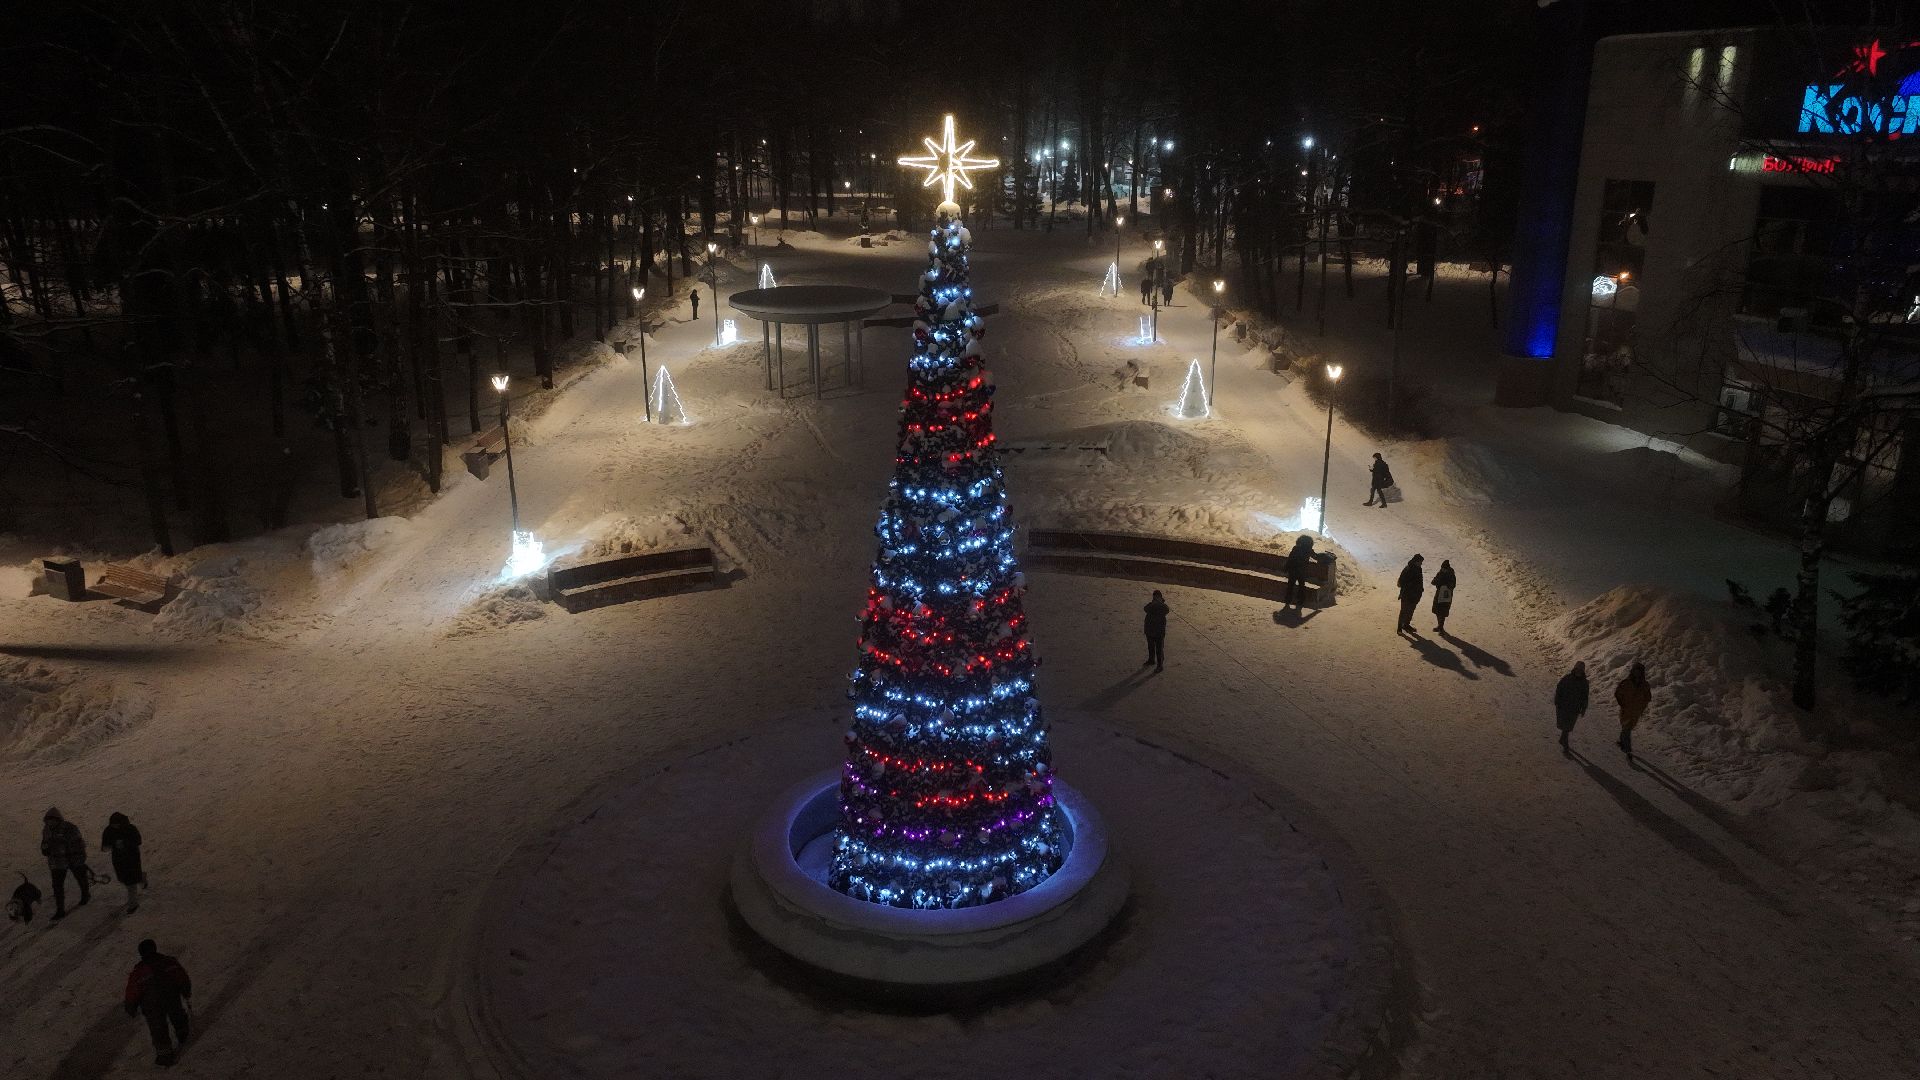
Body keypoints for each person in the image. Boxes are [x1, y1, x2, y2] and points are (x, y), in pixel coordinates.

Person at [124, 938, 191, 1066]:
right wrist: (185, 989)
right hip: (170, 997)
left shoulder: (139, 972)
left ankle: (165, 1055)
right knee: (177, 1015)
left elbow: (133, 991)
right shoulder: (168, 962)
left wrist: (130, 1006)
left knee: (158, 1029)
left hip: (152, 1005)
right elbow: (180, 975)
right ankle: (182, 1033)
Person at [40, 807, 91, 920]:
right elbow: (44, 846)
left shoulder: (69, 828)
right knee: (57, 887)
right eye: (48, 821)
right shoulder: (46, 830)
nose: (50, 823)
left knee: (81, 878)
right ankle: (60, 910)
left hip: (73, 860)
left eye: (52, 820)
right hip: (57, 863)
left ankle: (85, 894)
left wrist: (77, 858)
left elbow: (78, 844)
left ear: (58, 819)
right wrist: (44, 849)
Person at [101, 811, 146, 914]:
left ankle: (133, 904)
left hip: (132, 859)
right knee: (125, 879)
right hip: (118, 860)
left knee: (130, 882)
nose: (114, 827)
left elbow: (138, 841)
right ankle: (142, 878)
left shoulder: (131, 829)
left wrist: (125, 843)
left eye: (116, 824)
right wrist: (110, 845)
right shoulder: (109, 830)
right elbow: (105, 847)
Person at [1614, 662, 1652, 758]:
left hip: (1636, 712)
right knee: (1626, 728)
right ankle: (1627, 748)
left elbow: (1648, 697)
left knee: (1627, 728)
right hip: (1626, 711)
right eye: (1635, 670)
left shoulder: (1645, 685)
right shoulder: (1626, 683)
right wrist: (1622, 703)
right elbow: (1618, 693)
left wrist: (1642, 707)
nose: (1637, 673)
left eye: (1639, 671)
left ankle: (1624, 743)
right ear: (1632, 671)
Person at [1554, 661, 1590, 751]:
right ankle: (1564, 742)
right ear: (1575, 669)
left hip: (1575, 708)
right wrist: (1557, 701)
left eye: (1581, 670)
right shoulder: (1567, 679)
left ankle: (1563, 739)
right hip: (1564, 705)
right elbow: (1559, 689)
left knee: (1569, 725)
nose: (1579, 671)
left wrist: (1583, 708)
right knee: (1565, 724)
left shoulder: (1584, 683)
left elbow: (1585, 697)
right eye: (1577, 669)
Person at [1284, 534, 1316, 607]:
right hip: (1302, 571)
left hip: (1293, 570)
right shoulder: (1309, 550)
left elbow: (1290, 558)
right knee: (1301, 586)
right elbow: (1316, 557)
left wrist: (1286, 567)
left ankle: (1288, 600)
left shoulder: (1296, 548)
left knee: (1290, 585)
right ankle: (1300, 600)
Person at [1395, 554, 1424, 634]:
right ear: (1416, 561)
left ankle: (1406, 625)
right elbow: (1401, 582)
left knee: (1411, 611)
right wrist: (1410, 585)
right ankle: (1399, 628)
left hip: (1415, 595)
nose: (1421, 564)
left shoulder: (1419, 569)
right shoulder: (1407, 569)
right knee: (1404, 611)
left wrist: (1421, 589)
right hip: (1406, 594)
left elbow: (1420, 581)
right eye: (1420, 562)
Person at [1142, 590, 1169, 672]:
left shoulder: (1163, 606)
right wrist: (1153, 603)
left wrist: (1160, 603)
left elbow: (1166, 610)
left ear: (1160, 597)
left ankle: (1160, 665)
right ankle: (1151, 660)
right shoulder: (1151, 605)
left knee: (1159, 649)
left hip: (1159, 632)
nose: (1156, 597)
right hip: (1149, 630)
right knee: (1150, 647)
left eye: (1157, 596)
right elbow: (1145, 609)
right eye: (1155, 596)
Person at [1430, 559, 1457, 633]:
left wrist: (1445, 583)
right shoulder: (1440, 572)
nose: (1442, 570)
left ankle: (1441, 627)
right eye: (1442, 568)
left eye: (1444, 569)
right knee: (1437, 610)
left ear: (1447, 568)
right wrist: (1439, 580)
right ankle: (1439, 626)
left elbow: (1453, 585)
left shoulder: (1451, 574)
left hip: (1446, 595)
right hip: (1439, 594)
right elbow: (1433, 582)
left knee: (1443, 611)